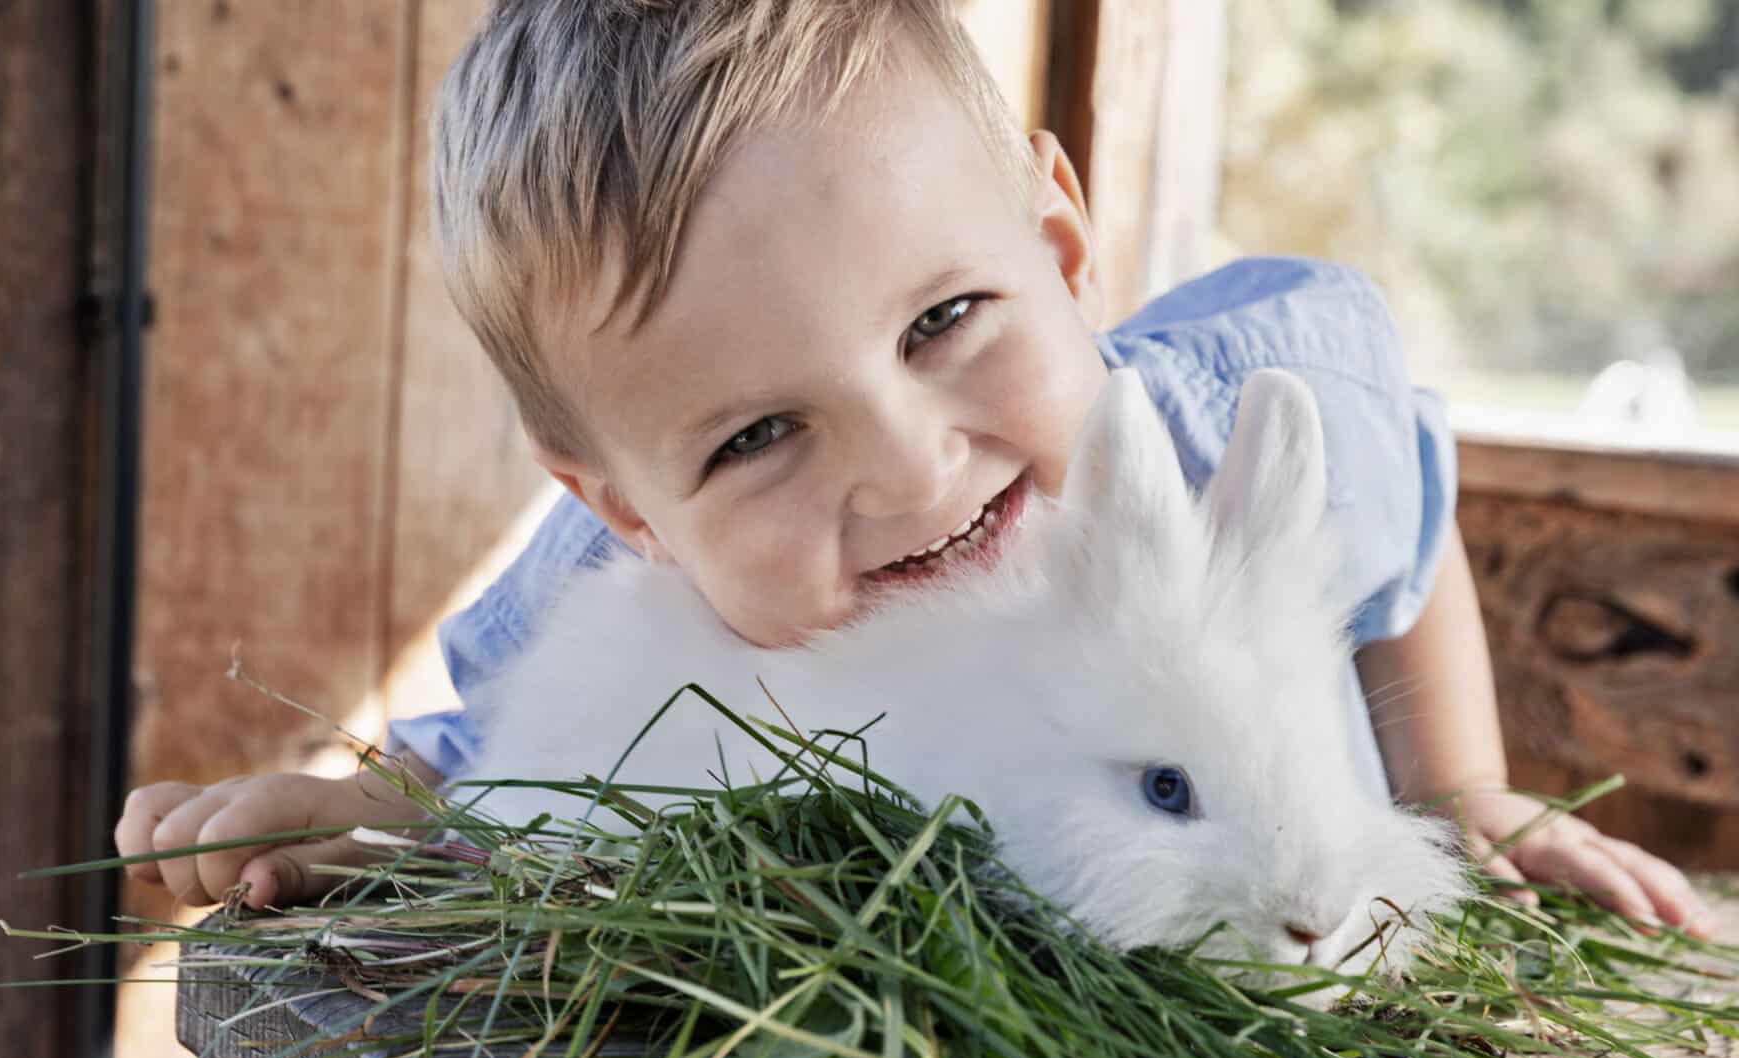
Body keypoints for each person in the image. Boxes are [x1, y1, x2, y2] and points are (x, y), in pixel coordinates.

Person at [115, 0, 1711, 936]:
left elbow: (1397, 473)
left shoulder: (1223, 425)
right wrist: (392, 817)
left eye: (946, 318)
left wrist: (1455, 791)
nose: (910, 466)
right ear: (628, 514)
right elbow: (509, 756)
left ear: (1061, 242)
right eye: (752, 438)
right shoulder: (626, 609)